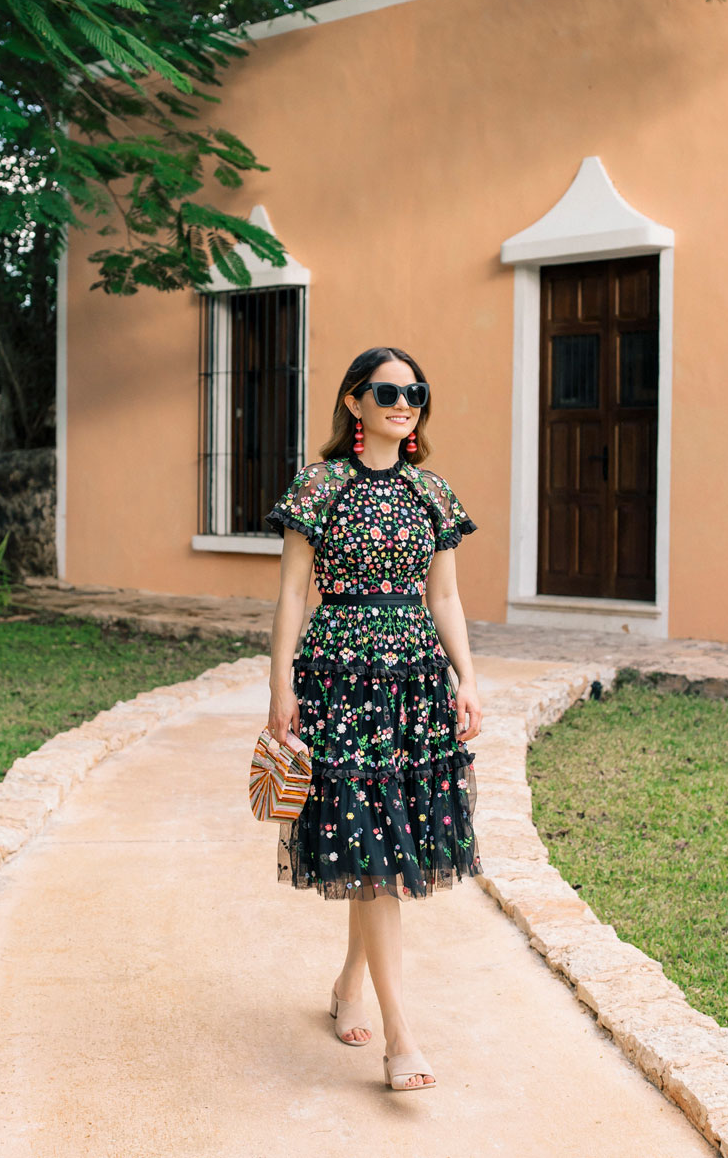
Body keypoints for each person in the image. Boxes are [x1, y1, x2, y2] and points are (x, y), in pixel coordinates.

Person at [264, 345, 484, 1092]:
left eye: (415, 390)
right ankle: (400, 1037)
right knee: (374, 847)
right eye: (387, 390)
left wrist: (467, 678)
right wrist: (280, 686)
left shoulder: (432, 494)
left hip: (415, 684)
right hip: (340, 682)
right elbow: (293, 595)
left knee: (384, 849)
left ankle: (349, 985)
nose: (404, 401)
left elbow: (445, 598)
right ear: (355, 402)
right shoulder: (319, 487)